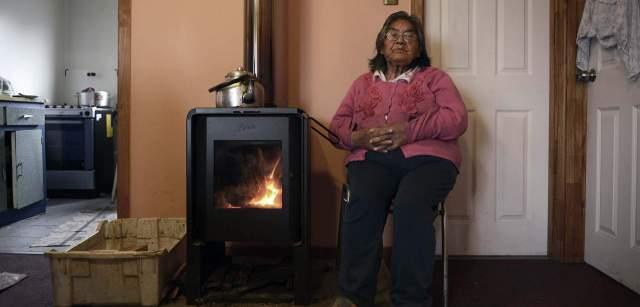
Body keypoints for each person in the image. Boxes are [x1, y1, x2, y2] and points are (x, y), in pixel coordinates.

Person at [330, 11, 467, 307]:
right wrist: (358, 138)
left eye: (409, 35)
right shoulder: (362, 84)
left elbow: (456, 118)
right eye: (393, 34)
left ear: (419, 48)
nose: (400, 40)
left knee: (411, 205)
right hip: (373, 159)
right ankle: (354, 297)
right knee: (363, 200)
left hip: (429, 160)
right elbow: (337, 124)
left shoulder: (435, 79)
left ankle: (410, 300)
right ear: (381, 45)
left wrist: (409, 132)